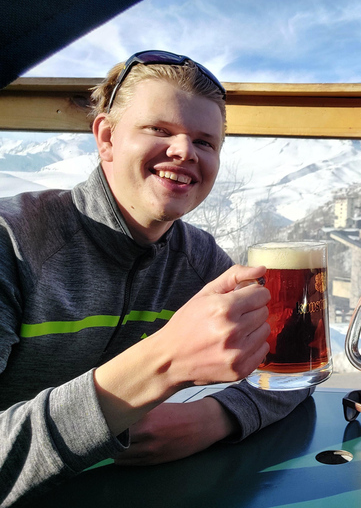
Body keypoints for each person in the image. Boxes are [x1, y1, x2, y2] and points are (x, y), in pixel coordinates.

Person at [0, 50, 310, 507]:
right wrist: (162, 363)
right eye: (159, 130)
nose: (184, 150)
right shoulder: (14, 241)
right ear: (105, 138)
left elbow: (297, 364)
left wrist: (217, 416)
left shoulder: (197, 256)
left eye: (205, 142)